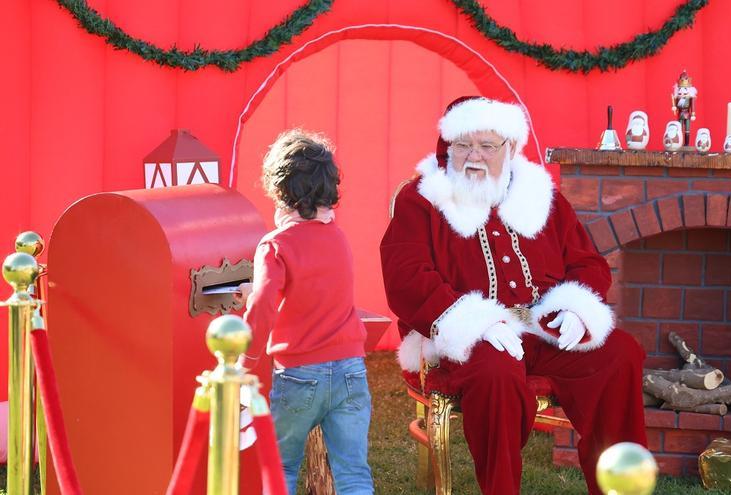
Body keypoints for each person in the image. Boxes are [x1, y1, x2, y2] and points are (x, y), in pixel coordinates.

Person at [380, 97, 647, 494]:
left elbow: (587, 262)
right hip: (470, 339)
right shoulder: (423, 199)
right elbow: (405, 276)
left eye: (487, 146)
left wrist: (577, 308)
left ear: (509, 149)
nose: (474, 156)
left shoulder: (541, 196)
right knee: (496, 373)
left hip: (544, 328)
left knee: (619, 354)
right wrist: (471, 321)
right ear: (446, 146)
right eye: (463, 145)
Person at [236, 129, 373, 494]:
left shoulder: (276, 245)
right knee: (354, 473)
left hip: (300, 374)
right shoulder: (338, 237)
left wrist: (245, 360)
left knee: (281, 468)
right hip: (350, 370)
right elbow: (318, 291)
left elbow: (265, 302)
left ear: (278, 190)